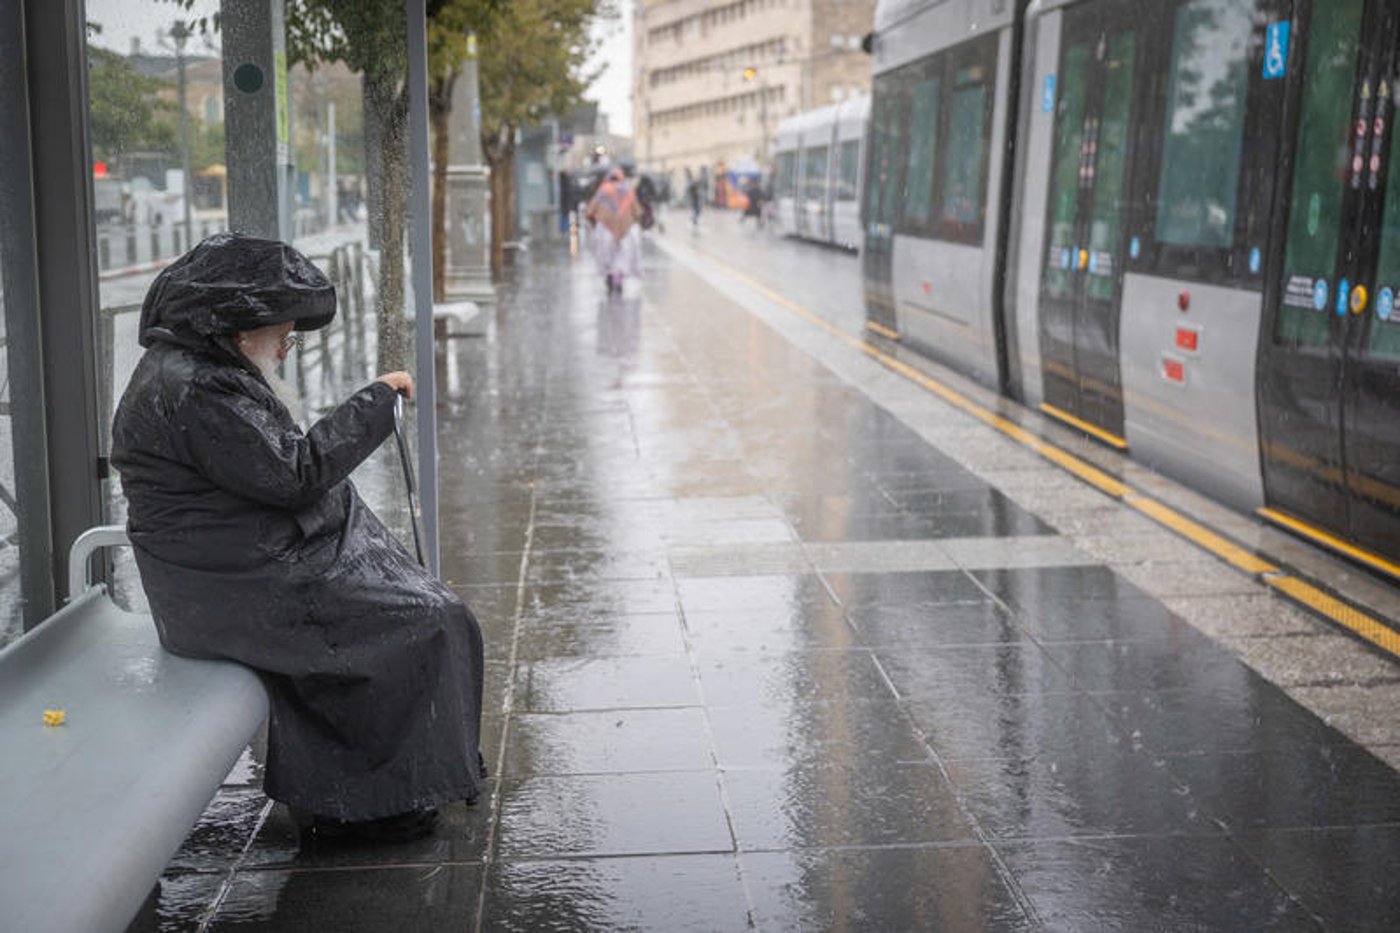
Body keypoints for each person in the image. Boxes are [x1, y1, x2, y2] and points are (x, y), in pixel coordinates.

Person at [110, 233, 486, 844]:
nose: (285, 350)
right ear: (238, 331)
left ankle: (393, 784)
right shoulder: (199, 387)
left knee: (426, 610)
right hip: (231, 590)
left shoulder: (197, 370)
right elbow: (296, 474)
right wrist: (377, 400)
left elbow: (274, 469)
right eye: (283, 336)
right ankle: (364, 803)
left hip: (233, 572)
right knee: (429, 618)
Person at [584, 167, 642, 293]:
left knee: (606, 256)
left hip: (605, 229)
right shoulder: (628, 190)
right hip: (625, 230)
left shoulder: (603, 190)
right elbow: (637, 211)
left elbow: (590, 210)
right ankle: (618, 279)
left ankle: (609, 277)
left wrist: (594, 222)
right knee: (621, 255)